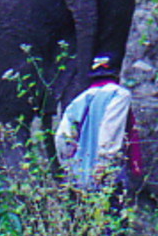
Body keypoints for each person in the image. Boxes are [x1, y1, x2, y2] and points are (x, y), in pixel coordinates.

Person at [54, 55, 142, 195]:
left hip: (79, 177)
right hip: (105, 175)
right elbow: (110, 130)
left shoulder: (81, 99)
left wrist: (68, 166)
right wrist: (103, 164)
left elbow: (62, 137)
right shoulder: (119, 94)